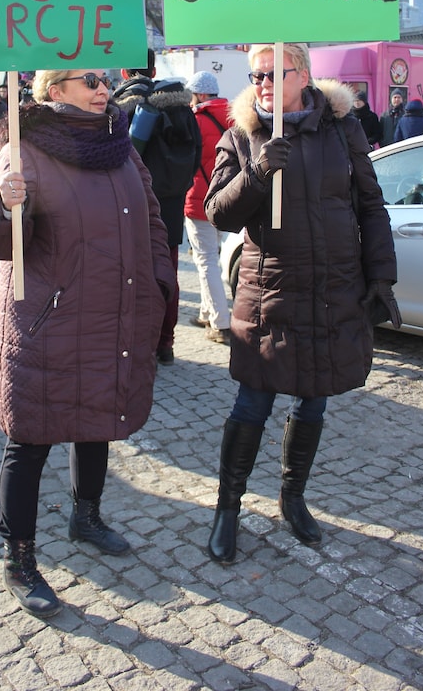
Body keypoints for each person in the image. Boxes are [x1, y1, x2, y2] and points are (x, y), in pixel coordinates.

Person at [0, 67, 175, 618]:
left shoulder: (120, 145)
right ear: (53, 89)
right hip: (47, 323)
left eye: (104, 76)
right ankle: (19, 559)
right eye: (87, 79)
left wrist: (158, 278)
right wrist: (0, 203)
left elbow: (152, 217)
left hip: (113, 316)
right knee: (31, 439)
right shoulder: (24, 150)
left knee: (98, 418)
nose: (102, 86)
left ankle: (86, 516)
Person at [204, 42, 399, 565]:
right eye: (255, 73)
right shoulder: (243, 133)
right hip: (270, 292)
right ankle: (228, 507)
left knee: (314, 398)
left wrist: (382, 275)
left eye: (273, 72)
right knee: (253, 403)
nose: (262, 82)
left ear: (304, 73)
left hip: (333, 291)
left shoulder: (342, 127)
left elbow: (370, 204)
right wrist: (258, 173)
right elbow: (217, 211)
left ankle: (293, 497)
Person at [113, 50, 201, 365]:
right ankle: (165, 343)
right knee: (168, 276)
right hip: (172, 206)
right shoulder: (181, 107)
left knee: (133, 278)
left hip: (133, 207)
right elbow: (196, 155)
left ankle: (140, 345)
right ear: (152, 68)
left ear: (124, 72)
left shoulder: (123, 108)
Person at [184, 70, 232, 345]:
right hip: (230, 198)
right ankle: (206, 312)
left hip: (200, 198)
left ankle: (220, 323)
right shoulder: (235, 117)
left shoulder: (196, 121)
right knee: (212, 256)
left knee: (206, 262)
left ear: (201, 95)